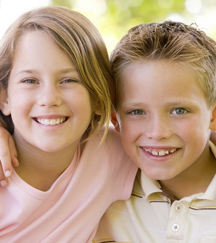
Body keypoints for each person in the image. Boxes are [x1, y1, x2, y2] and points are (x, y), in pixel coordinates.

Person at [0, 6, 138, 243]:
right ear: (4, 97)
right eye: (30, 80)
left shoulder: (110, 151)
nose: (49, 99)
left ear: (97, 96)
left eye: (69, 80)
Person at [93, 21, 216, 242]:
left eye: (179, 110)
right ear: (115, 120)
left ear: (213, 116)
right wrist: (7, 130)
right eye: (137, 111)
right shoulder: (99, 183)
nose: (157, 132)